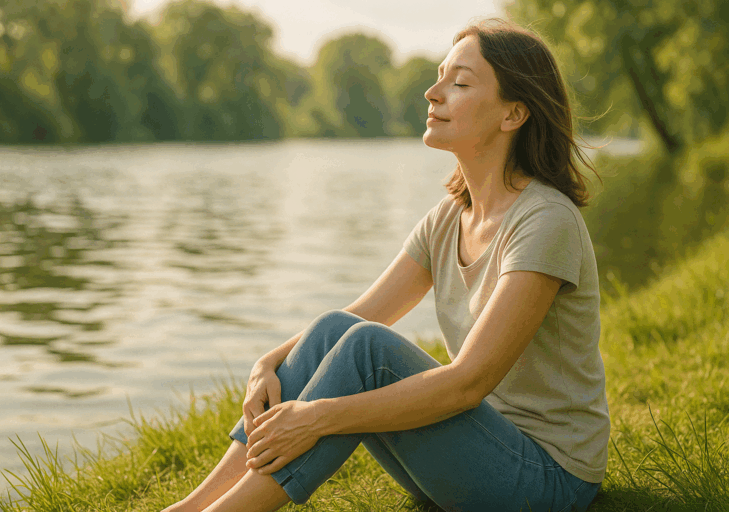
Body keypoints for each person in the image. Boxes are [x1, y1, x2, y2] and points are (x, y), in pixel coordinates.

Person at [163, 16, 609, 512]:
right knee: (339, 328)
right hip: (473, 451)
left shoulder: (546, 221)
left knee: (368, 351)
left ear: (513, 115)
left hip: (547, 479)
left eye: (459, 83)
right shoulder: (447, 219)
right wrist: (267, 361)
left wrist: (318, 417)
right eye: (440, 75)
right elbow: (360, 314)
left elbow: (468, 383)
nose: (432, 93)